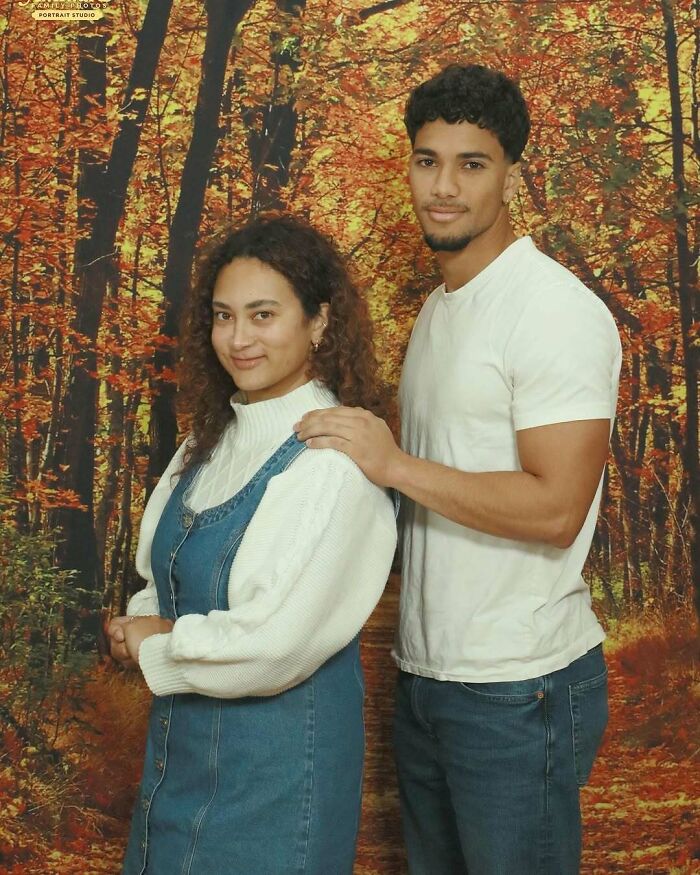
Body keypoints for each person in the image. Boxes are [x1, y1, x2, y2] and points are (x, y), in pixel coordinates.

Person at [295, 64, 622, 874]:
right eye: (426, 159)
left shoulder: (553, 310)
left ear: (512, 173)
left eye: (470, 164)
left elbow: (555, 507)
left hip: (521, 687)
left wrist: (393, 463)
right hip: (429, 679)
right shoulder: (441, 312)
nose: (442, 186)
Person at [106, 215, 397, 875]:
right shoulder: (202, 446)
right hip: (178, 774)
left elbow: (276, 645)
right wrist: (142, 621)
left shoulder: (331, 457)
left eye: (263, 315)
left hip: (277, 788)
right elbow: (160, 577)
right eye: (223, 316)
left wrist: (157, 642)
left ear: (319, 322)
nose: (238, 339)